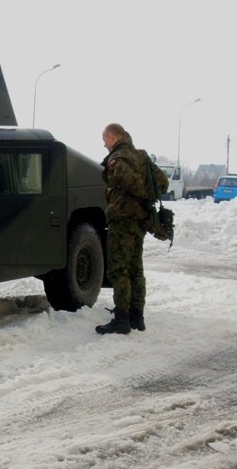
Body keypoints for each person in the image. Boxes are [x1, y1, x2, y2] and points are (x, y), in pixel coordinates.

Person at [96, 123, 150, 335]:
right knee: (136, 269)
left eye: (104, 140)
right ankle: (137, 316)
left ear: (112, 136)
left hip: (123, 221)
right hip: (139, 221)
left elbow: (129, 181)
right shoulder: (141, 157)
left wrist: (138, 193)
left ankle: (122, 319)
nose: (104, 145)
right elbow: (162, 183)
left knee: (119, 270)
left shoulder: (118, 159)